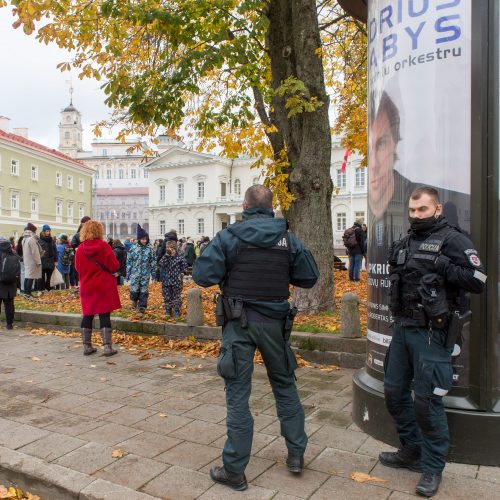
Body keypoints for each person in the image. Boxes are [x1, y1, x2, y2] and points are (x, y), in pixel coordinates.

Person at [193, 184, 319, 491]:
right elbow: (309, 276)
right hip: (275, 325)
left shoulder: (229, 237)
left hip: (239, 324)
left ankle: (234, 470)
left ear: (245, 206)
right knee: (285, 386)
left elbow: (202, 275)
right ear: (271, 207)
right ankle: (296, 454)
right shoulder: (287, 239)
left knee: (238, 394)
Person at [380, 187, 486, 498]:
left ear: (436, 209)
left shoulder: (454, 239)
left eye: (422, 210)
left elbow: (478, 280)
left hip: (432, 332)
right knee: (393, 392)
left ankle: (432, 467)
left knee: (426, 402)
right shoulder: (407, 240)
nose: (416, 216)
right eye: (412, 211)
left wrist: (443, 267)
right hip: (402, 328)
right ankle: (411, 450)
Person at [74, 220, 121, 356]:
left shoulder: (80, 249)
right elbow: (114, 266)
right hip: (104, 285)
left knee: (88, 314)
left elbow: (78, 268)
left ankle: (87, 346)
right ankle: (107, 347)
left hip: (87, 285)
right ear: (98, 231)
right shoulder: (104, 246)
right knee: (104, 314)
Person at [126, 224, 156, 314]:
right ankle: (134, 302)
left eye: (145, 239)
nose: (144, 241)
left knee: (144, 290)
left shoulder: (150, 249)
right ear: (139, 239)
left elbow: (153, 261)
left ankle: (142, 307)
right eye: (142, 239)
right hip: (135, 274)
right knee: (134, 289)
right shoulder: (133, 248)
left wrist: (153, 272)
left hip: (145, 274)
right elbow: (129, 260)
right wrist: (128, 272)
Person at [159, 240, 188, 318]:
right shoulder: (165, 257)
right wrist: (166, 255)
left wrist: (182, 273)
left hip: (177, 281)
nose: (170, 250)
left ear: (175, 249)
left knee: (176, 296)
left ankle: (176, 311)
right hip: (166, 281)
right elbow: (161, 264)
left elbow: (185, 267)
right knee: (167, 296)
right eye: (168, 248)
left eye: (172, 249)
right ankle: (168, 311)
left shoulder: (180, 258)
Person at [0, 236, 20, 329]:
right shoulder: (14, 253)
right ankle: (9, 324)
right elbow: (18, 269)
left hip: (1, 282)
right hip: (11, 283)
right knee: (9, 304)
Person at [21, 223, 43, 299]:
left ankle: (25, 293)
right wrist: (38, 262)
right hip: (32, 261)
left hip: (27, 260)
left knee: (27, 277)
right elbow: (35, 252)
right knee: (30, 277)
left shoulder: (24, 238)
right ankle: (28, 293)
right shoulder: (31, 239)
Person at [39, 224, 57, 291]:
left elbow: (55, 250)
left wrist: (55, 260)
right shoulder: (40, 240)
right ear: (43, 231)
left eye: (49, 231)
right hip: (42, 260)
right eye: (46, 231)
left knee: (50, 276)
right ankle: (42, 289)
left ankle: (49, 288)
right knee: (42, 277)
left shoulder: (51, 240)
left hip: (50, 260)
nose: (48, 232)